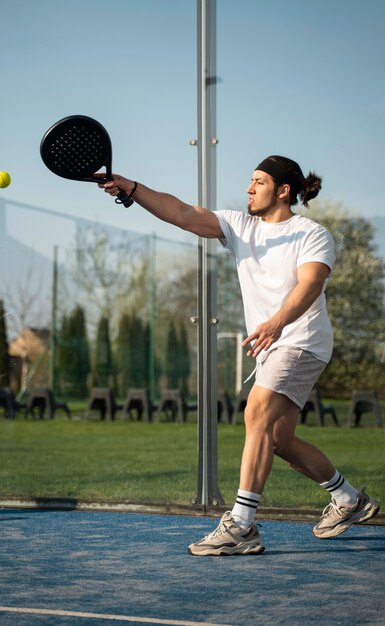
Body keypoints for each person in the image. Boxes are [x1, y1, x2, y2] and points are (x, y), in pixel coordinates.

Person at [98, 155, 379, 556]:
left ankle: (243, 527)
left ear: (283, 191)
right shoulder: (240, 225)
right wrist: (132, 188)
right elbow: (180, 212)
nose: (249, 188)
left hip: (301, 340)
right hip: (273, 344)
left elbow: (311, 284)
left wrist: (278, 321)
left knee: (256, 413)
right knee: (278, 439)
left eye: (259, 182)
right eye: (251, 181)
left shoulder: (311, 233)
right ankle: (350, 499)